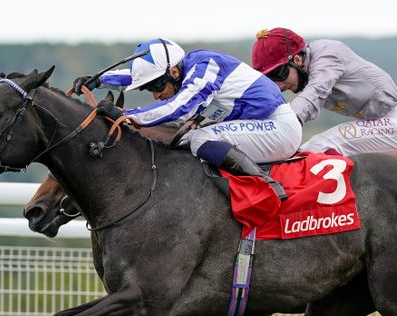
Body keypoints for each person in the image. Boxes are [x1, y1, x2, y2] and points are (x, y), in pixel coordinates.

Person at [73, 38, 301, 200]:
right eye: (149, 89)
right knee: (184, 140)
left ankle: (266, 186)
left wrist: (127, 116)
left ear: (174, 73)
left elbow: (179, 108)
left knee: (201, 138)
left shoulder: (205, 67)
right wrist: (99, 80)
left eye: (157, 87)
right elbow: (138, 77)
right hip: (260, 125)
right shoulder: (183, 69)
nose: (155, 95)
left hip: (278, 127)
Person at [250, 28, 397, 157]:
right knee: (308, 149)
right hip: (381, 123)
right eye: (269, 79)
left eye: (278, 75)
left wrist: (282, 124)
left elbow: (315, 92)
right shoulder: (308, 65)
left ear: (297, 60)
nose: (278, 85)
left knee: (317, 146)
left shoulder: (327, 55)